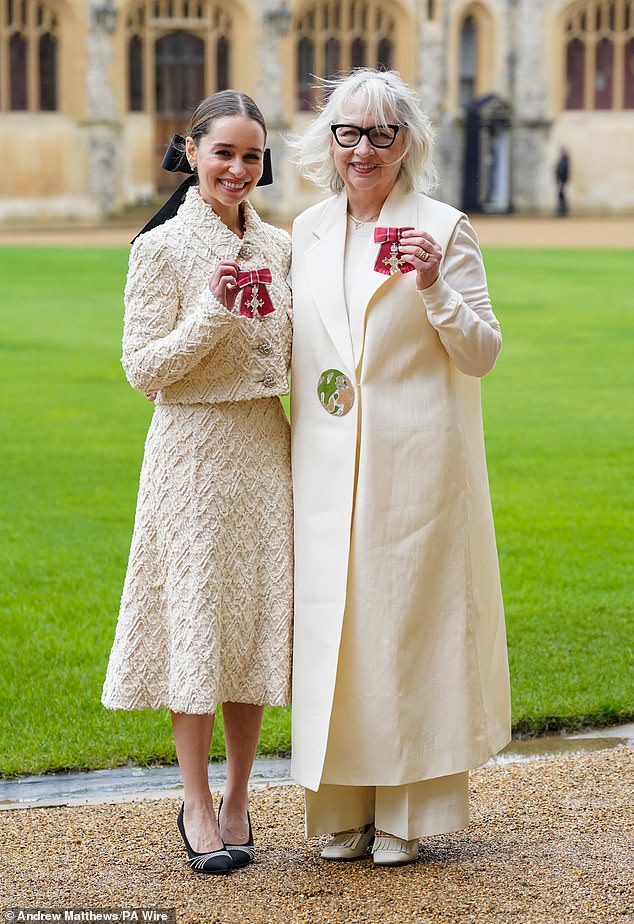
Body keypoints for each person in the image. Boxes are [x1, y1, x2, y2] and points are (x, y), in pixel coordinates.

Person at [288, 68, 511, 868]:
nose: (364, 149)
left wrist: (434, 285)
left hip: (415, 462)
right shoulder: (306, 231)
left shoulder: (445, 230)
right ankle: (341, 811)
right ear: (329, 141)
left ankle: (407, 816)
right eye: (349, 132)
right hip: (322, 461)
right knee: (336, 635)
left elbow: (482, 354)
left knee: (404, 635)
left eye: (383, 134)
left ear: (407, 142)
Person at [102, 90, 293, 875]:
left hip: (265, 446)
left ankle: (243, 794)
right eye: (224, 153)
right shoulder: (159, 250)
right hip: (190, 456)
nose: (238, 169)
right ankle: (196, 801)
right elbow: (143, 371)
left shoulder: (281, 248)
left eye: (252, 156)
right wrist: (214, 311)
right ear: (191, 152)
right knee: (196, 625)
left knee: (249, 627)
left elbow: (294, 353)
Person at [555, 147, 570, 216]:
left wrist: (561, 180)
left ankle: (562, 209)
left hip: (562, 180)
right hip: (561, 180)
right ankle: (562, 209)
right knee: (561, 194)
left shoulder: (564, 160)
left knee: (561, 194)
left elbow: (563, 171)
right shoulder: (564, 159)